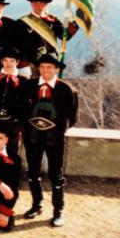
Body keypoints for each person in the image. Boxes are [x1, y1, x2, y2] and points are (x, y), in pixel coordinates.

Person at [22, 53, 78, 227]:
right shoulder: (28, 86)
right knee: (33, 170)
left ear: (57, 69)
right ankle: (37, 204)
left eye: (49, 67)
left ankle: (58, 210)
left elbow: (72, 117)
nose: (45, 70)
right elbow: (21, 108)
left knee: (56, 173)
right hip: (32, 136)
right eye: (42, 67)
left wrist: (56, 129)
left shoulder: (67, 90)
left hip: (54, 137)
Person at [18, 0, 78, 69]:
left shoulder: (53, 20)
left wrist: (71, 20)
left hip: (51, 61)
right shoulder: (23, 22)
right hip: (31, 63)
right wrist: (24, 64)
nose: (38, 5)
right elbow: (18, 44)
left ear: (46, 4)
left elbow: (65, 36)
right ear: (31, 4)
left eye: (41, 3)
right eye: (35, 3)